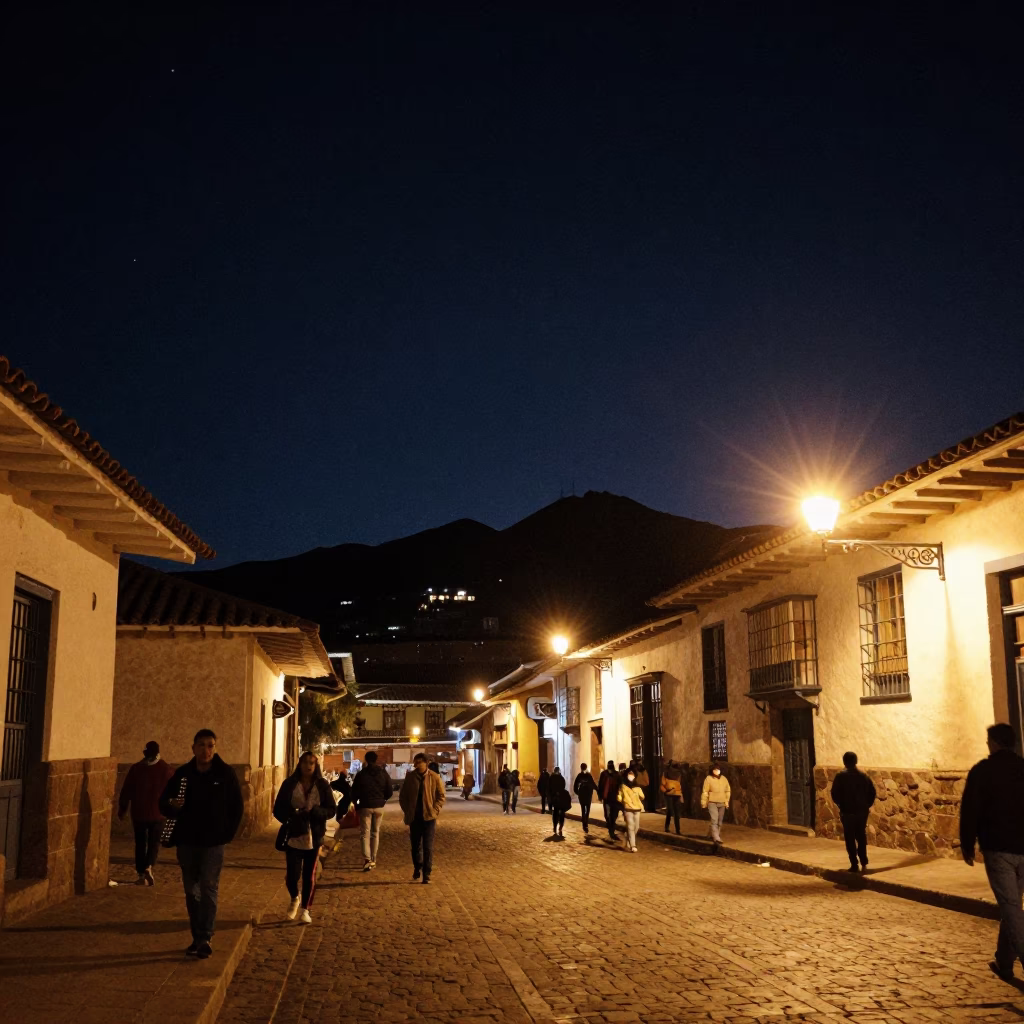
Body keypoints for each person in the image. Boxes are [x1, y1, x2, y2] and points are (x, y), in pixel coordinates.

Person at [159, 729, 244, 959]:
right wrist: (172, 804)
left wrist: (226, 834)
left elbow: (236, 807)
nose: (206, 750)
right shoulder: (183, 774)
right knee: (191, 891)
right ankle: (197, 937)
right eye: (201, 745)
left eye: (210, 745)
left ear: (214, 748)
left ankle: (205, 936)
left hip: (213, 843)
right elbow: (163, 802)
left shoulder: (225, 774)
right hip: (187, 842)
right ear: (193, 748)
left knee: (208, 887)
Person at [960, 723, 1024, 983]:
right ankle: (1004, 962)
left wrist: (967, 844)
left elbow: (970, 809)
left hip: (998, 849)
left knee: (1011, 908)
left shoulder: (982, 771)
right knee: (1012, 904)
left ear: (995, 742)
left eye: (989, 741)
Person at [273, 751, 336, 923]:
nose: (308, 766)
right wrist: (291, 817)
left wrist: (317, 812)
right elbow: (278, 809)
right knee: (292, 876)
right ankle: (295, 897)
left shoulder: (322, 785)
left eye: (312, 763)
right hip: (294, 835)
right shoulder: (289, 784)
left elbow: (331, 809)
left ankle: (306, 909)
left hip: (314, 836)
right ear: (299, 764)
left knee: (309, 875)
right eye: (305, 762)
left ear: (316, 766)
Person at [118, 740, 175, 886]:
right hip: (158, 813)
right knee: (154, 843)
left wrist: (122, 809)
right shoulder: (166, 769)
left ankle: (141, 874)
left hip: (139, 813)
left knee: (140, 843)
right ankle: (149, 866)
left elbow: (126, 790)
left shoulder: (136, 769)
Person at [399, 752, 446, 883]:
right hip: (414, 818)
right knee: (415, 846)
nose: (417, 765)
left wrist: (435, 810)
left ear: (426, 763)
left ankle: (427, 873)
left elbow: (441, 796)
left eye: (419, 762)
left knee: (428, 847)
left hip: (429, 817)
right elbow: (403, 796)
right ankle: (417, 867)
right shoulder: (410, 778)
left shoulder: (434, 777)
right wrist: (408, 810)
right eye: (416, 762)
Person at [830, 751, 876, 873]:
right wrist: (866, 805)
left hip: (847, 811)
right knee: (861, 835)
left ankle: (854, 864)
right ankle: (864, 861)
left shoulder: (840, 776)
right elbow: (872, 792)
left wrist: (841, 805)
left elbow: (834, 794)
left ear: (844, 762)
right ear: (856, 761)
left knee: (850, 838)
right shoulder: (863, 776)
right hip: (861, 811)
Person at [351, 750, 393, 872]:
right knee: (375, 833)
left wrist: (356, 803)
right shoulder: (383, 773)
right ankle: (374, 859)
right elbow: (389, 790)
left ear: (366, 759)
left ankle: (367, 860)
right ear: (376, 759)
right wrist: (383, 800)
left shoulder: (361, 774)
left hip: (365, 806)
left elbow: (354, 791)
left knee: (365, 833)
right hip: (379, 806)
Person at [700, 763, 731, 847]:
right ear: (712, 770)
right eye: (715, 769)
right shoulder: (708, 779)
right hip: (712, 802)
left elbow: (727, 791)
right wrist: (703, 802)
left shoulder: (724, 779)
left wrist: (726, 801)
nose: (716, 771)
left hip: (722, 803)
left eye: (718, 769)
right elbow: (705, 791)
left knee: (720, 821)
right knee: (714, 820)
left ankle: (713, 834)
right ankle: (716, 838)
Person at [618, 766, 645, 852]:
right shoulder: (623, 786)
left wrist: (638, 796)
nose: (631, 776)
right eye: (629, 774)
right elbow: (619, 796)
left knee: (636, 826)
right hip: (627, 808)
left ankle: (628, 837)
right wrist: (621, 799)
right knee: (630, 826)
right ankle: (633, 845)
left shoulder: (637, 787)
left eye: (632, 774)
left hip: (637, 808)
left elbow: (642, 796)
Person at [598, 760, 622, 841]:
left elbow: (620, 786)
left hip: (615, 799)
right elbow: (600, 785)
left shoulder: (617, 775)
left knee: (614, 815)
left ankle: (612, 831)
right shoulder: (604, 774)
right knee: (607, 815)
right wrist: (600, 795)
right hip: (607, 798)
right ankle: (611, 830)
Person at [660, 760, 684, 836]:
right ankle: (670, 828)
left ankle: (677, 829)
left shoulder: (678, 774)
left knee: (674, 812)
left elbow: (679, 784)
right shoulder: (666, 773)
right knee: (671, 811)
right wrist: (666, 791)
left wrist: (680, 794)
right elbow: (662, 784)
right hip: (669, 793)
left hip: (675, 793)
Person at [573, 763, 598, 834]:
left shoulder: (579, 775)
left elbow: (575, 786)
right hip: (588, 795)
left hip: (582, 795)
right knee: (587, 809)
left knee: (583, 809)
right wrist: (598, 790)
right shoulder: (588, 775)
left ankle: (584, 823)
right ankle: (585, 822)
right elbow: (593, 784)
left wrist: (578, 793)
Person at [548, 766, 568, 838]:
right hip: (560, 797)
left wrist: (550, 799)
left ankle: (555, 826)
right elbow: (563, 786)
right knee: (561, 812)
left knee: (555, 813)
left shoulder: (551, 778)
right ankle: (560, 826)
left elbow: (549, 789)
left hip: (555, 798)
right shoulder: (561, 778)